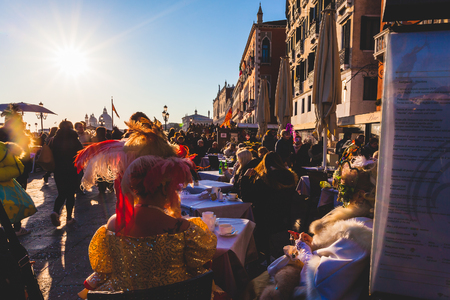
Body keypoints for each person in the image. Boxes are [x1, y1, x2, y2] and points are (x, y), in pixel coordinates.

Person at [77, 155, 217, 298]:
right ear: (164, 189)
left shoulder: (113, 224)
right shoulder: (182, 227)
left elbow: (104, 267)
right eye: (175, 188)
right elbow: (199, 260)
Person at [258, 155, 377, 300]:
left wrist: (304, 251)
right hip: (301, 278)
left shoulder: (357, 234)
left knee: (255, 288)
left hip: (304, 289)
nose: (339, 197)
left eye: (345, 190)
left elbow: (321, 284)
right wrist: (313, 244)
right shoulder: (357, 226)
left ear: (360, 196)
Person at [240, 152, 298, 263]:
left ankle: (256, 255)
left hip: (264, 218)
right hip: (284, 217)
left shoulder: (265, 179)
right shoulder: (290, 177)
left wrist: (245, 178)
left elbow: (246, 197)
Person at [48, 120, 83, 226]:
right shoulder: (74, 139)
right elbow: (81, 153)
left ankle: (55, 212)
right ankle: (68, 218)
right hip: (72, 170)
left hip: (58, 170)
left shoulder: (54, 139)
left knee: (61, 193)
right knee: (70, 194)